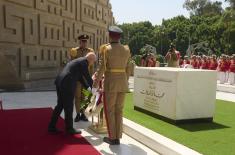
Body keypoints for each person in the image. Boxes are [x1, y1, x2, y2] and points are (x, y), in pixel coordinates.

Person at [93, 26, 130, 145]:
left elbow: (102, 68)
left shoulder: (106, 49)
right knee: (119, 110)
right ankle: (118, 137)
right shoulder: (126, 49)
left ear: (109, 35)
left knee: (110, 111)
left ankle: (112, 137)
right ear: (119, 37)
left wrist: (95, 83)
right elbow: (129, 67)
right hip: (123, 83)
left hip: (111, 83)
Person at [48, 53, 96, 135]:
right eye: (93, 61)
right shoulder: (84, 62)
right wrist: (95, 86)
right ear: (90, 59)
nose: (92, 63)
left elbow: (80, 77)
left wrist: (88, 88)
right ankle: (69, 128)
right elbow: (87, 76)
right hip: (67, 84)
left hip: (60, 82)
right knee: (69, 106)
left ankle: (51, 126)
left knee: (60, 105)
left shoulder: (79, 61)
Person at [69, 34, 95, 122]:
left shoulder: (90, 51)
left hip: (86, 78)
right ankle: (77, 114)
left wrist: (91, 78)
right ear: (79, 42)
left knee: (85, 97)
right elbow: (72, 65)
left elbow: (91, 67)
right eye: (82, 41)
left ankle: (83, 113)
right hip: (78, 79)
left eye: (85, 41)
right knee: (77, 96)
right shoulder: (74, 51)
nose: (84, 43)